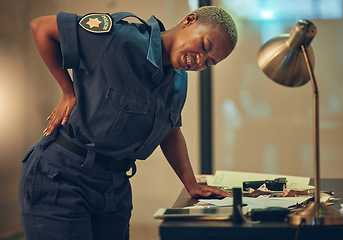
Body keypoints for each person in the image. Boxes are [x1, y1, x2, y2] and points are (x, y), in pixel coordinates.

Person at [18, 6, 237, 240]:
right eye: (204, 46)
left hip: (115, 186)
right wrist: (67, 91)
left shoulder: (179, 79)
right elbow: (41, 28)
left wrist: (191, 183)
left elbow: (171, 131)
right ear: (189, 20)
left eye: (210, 62)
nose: (200, 60)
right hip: (62, 176)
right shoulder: (118, 38)